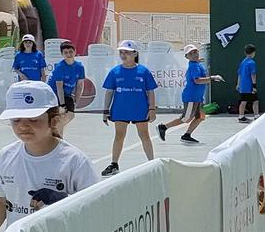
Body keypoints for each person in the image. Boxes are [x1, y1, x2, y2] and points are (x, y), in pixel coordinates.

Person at [0, 81, 99, 232]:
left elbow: (96, 208)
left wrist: (63, 200)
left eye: (33, 120)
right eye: (16, 120)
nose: (23, 126)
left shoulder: (74, 161)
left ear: (53, 120)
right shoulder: (6, 156)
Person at [100, 41, 158, 176]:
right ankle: (114, 164)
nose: (123, 54)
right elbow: (109, 92)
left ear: (135, 53)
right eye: (121, 52)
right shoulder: (115, 72)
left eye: (126, 52)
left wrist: (152, 109)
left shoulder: (143, 71)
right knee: (119, 135)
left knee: (144, 135)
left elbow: (150, 91)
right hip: (120, 109)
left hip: (140, 109)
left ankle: (152, 163)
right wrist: (105, 111)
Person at [159, 44, 221, 144]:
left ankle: (186, 135)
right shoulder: (194, 66)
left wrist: (197, 60)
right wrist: (212, 78)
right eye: (190, 53)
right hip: (191, 97)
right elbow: (197, 80)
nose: (194, 54)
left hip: (197, 97)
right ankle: (163, 127)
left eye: (195, 52)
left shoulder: (195, 64)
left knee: (200, 116)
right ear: (187, 57)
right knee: (186, 119)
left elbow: (195, 65)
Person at [49, 41, 86, 111]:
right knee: (60, 114)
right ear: (62, 54)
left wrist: (76, 102)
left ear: (75, 52)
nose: (69, 54)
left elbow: (80, 85)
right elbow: (59, 87)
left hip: (67, 94)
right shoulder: (59, 67)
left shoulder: (80, 67)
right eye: (65, 52)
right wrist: (62, 105)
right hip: (54, 94)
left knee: (70, 114)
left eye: (71, 51)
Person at [235, 46, 260, 119]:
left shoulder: (243, 62)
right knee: (255, 101)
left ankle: (241, 116)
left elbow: (239, 73)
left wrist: (238, 84)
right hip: (249, 86)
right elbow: (253, 74)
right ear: (253, 53)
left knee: (243, 101)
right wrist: (254, 86)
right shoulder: (252, 63)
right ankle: (256, 116)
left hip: (243, 86)